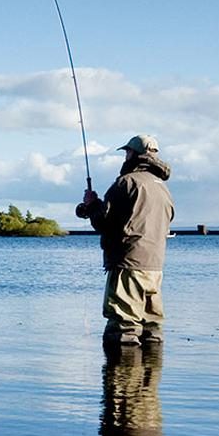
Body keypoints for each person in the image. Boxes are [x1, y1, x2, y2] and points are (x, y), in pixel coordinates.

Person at [75, 134, 175, 344]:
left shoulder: (126, 182)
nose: (125, 156)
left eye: (127, 152)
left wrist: (92, 205)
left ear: (134, 154)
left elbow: (103, 221)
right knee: (152, 331)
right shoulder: (163, 188)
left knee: (123, 330)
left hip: (128, 264)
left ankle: (121, 376)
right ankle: (151, 374)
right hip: (155, 268)